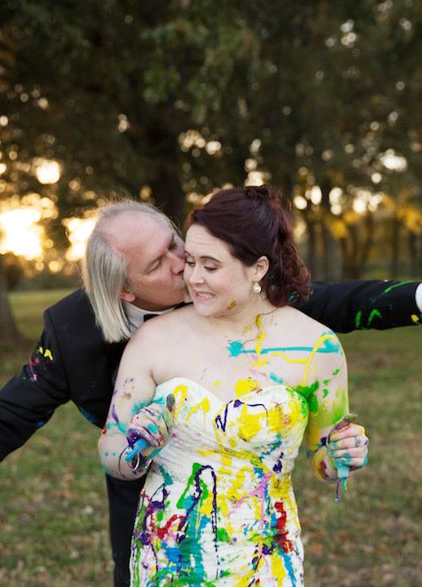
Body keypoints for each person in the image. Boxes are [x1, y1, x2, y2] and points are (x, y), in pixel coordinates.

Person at [0, 192, 422, 586]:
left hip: (259, 528)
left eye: (175, 243)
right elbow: (10, 412)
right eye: (161, 264)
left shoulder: (226, 279)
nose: (184, 263)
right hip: (153, 519)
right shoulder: (75, 331)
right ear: (125, 292)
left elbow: (331, 303)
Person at [99, 185, 364, 584]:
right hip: (168, 559)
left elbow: (324, 462)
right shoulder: (153, 339)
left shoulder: (316, 348)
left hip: (266, 559)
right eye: (190, 261)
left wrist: (344, 456)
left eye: (211, 266)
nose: (193, 278)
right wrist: (136, 450)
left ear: (258, 268)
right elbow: (111, 445)